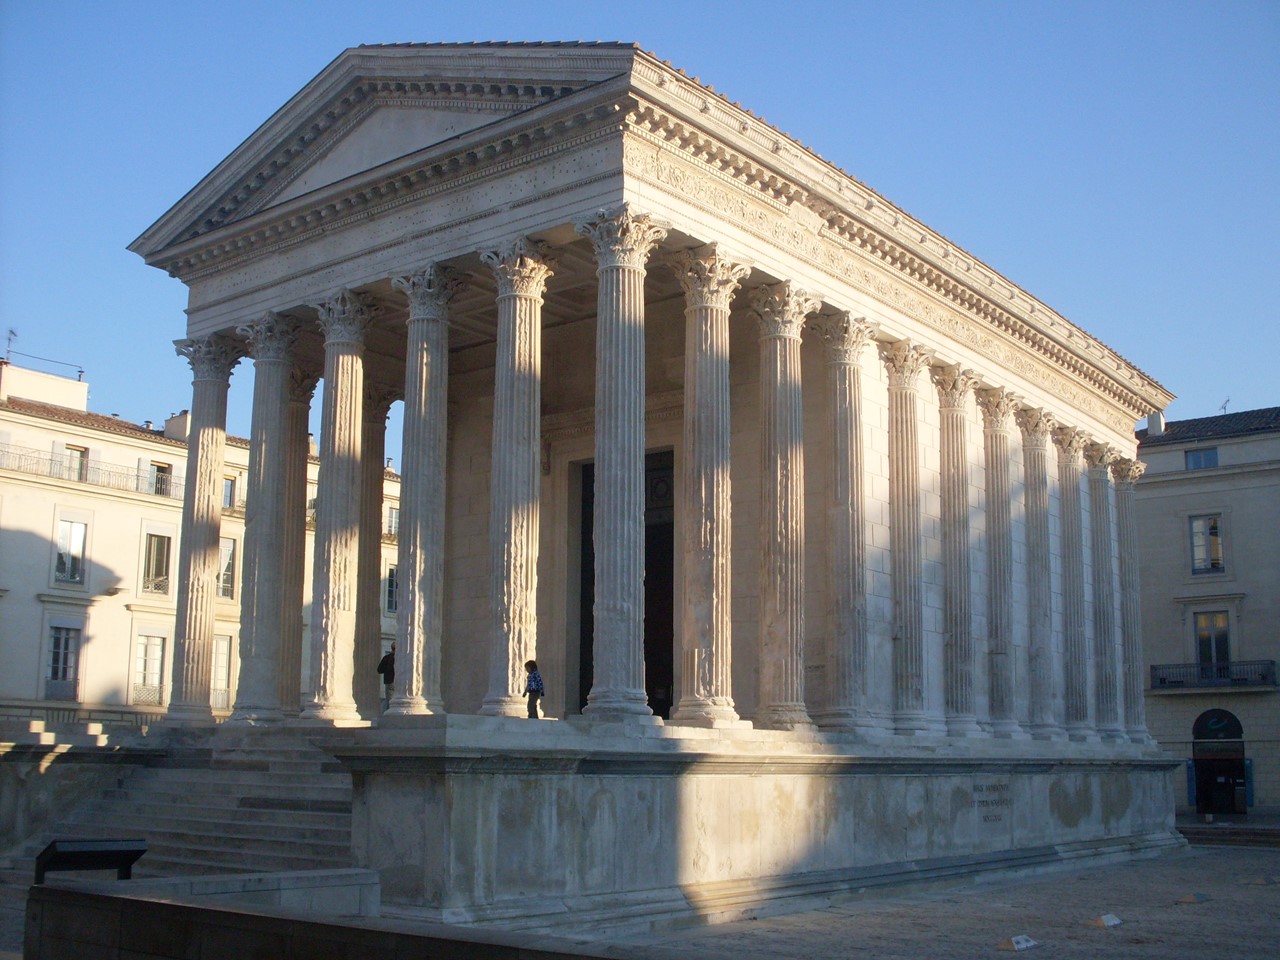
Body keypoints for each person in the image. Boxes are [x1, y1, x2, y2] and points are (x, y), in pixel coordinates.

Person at [377, 642, 396, 711]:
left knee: (390, 701)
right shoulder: (401, 658)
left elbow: (379, 669)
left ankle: (389, 715)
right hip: (400, 682)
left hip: (390, 681)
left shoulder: (387, 658)